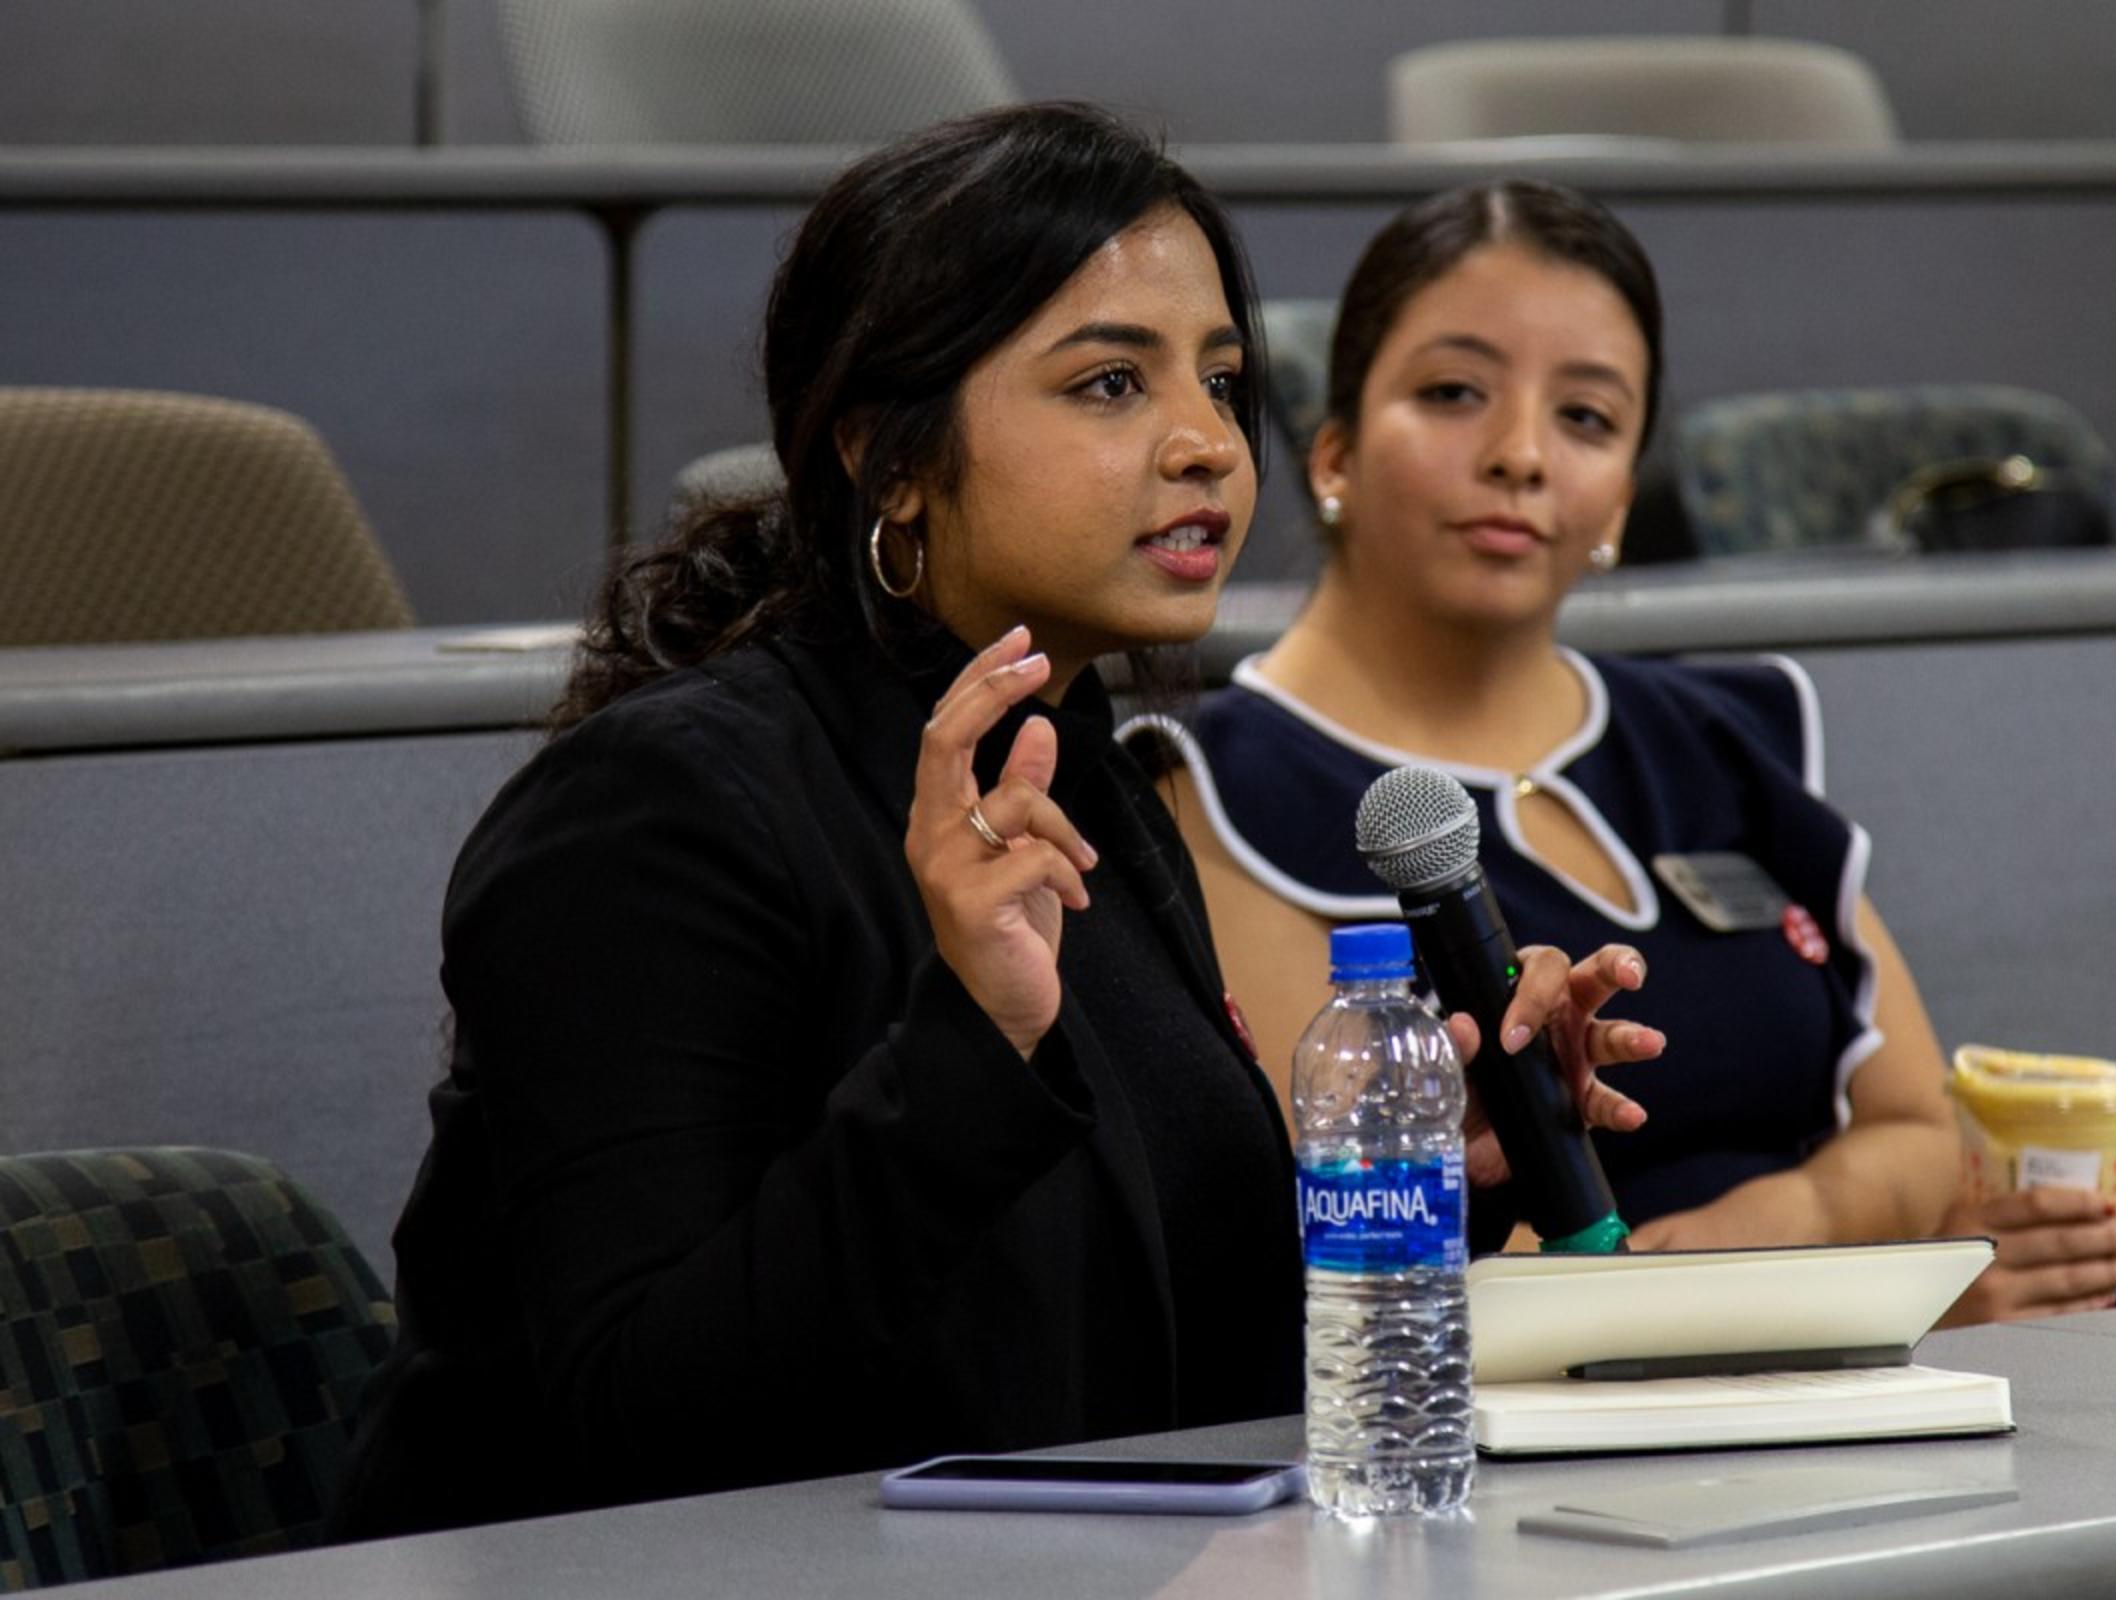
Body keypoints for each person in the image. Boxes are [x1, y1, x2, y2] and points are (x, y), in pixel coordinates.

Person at [334, 107, 1654, 1541]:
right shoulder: (653, 817)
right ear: (887, 456)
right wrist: (970, 1048)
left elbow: (1169, 1356)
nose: (1209, 445)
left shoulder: (1086, 784)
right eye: (1110, 384)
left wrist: (1426, 1173)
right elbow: (637, 1423)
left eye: (1221, 381)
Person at [1137, 180, 2116, 1319]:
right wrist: (1751, 1297)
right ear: (1333, 452)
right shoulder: (1217, 791)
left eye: (1586, 417)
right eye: (1454, 392)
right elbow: (1350, 1252)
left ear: (1620, 501)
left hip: (1818, 1380)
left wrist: (1771, 1231)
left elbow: (1914, 1127)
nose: (1521, 454)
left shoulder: (1720, 735)